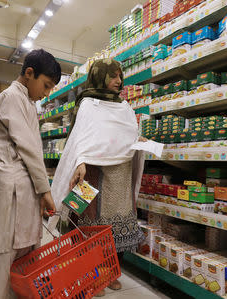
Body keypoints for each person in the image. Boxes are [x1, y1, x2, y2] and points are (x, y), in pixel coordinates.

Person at [49, 58, 145, 297]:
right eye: (113, 76)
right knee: (85, 223)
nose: (119, 81)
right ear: (99, 76)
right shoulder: (88, 104)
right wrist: (79, 160)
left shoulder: (123, 106)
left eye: (120, 76)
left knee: (117, 222)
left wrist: (138, 141)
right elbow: (79, 138)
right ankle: (88, 272)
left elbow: (128, 134)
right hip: (90, 173)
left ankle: (110, 272)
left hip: (120, 174)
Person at [0, 49, 60, 299]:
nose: (46, 93)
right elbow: (30, 149)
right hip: (12, 188)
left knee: (23, 257)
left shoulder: (27, 101)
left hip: (24, 189)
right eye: (45, 85)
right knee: (3, 257)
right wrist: (45, 191)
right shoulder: (11, 97)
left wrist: (40, 190)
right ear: (29, 73)